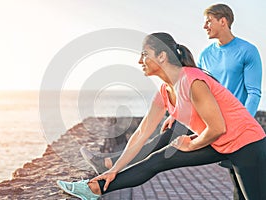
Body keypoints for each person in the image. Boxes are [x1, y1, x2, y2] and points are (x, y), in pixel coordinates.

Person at [80, 4, 263, 199]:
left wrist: (240, 124)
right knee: (160, 156)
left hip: (242, 139)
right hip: (216, 134)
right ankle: (97, 184)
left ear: (162, 56)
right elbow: (143, 130)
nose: (140, 61)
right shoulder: (199, 61)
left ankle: (105, 170)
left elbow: (243, 94)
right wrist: (177, 115)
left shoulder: (245, 51)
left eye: (144, 54)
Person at [197, 4, 262, 200]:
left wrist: (241, 124)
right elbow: (199, 94)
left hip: (242, 133)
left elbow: (254, 93)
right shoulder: (205, 55)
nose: (204, 26)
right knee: (237, 184)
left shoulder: (247, 51)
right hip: (221, 131)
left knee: (251, 191)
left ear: (223, 21)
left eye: (209, 21)